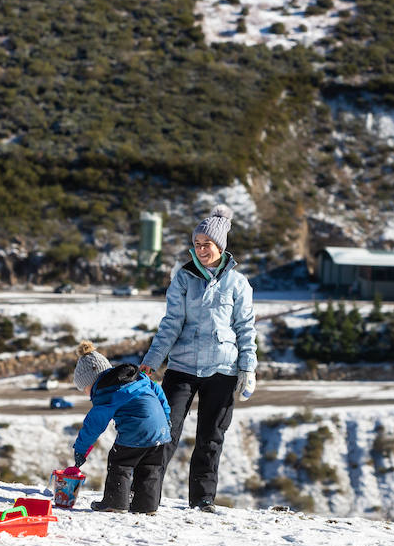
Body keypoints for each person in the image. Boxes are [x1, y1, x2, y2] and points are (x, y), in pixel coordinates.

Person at [139, 205, 257, 512]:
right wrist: (151, 361)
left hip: (223, 367)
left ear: (220, 246)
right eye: (197, 244)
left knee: (211, 436)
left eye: (207, 244)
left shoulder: (238, 284)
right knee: (163, 431)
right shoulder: (183, 278)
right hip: (182, 366)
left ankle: (203, 498)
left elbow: (246, 328)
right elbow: (171, 323)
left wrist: (248, 368)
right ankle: (145, 496)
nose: (201, 249)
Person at [70, 340, 173, 514]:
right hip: (161, 431)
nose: (87, 394)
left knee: (120, 462)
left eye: (85, 389)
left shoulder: (106, 392)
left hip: (136, 430)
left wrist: (81, 449)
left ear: (92, 380)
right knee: (151, 467)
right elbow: (158, 391)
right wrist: (167, 416)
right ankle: (146, 506)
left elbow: (93, 425)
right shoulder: (136, 377)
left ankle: (115, 502)